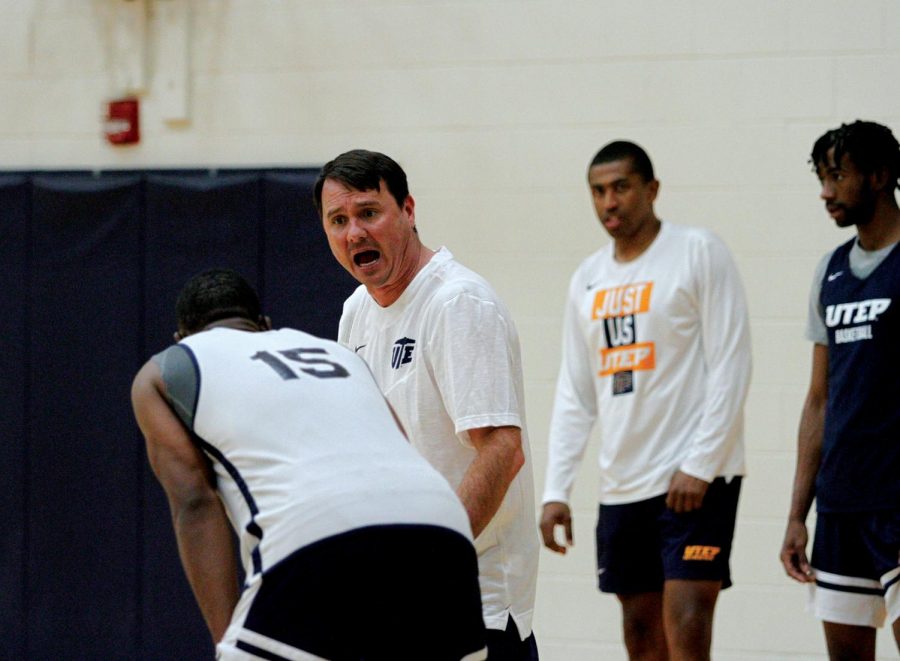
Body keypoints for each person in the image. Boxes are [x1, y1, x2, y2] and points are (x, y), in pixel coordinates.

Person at [131, 268, 488, 661]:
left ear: (182, 338)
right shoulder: (341, 356)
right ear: (264, 327)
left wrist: (225, 642)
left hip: (315, 539)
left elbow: (194, 502)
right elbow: (402, 446)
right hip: (445, 537)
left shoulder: (165, 369)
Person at [314, 149, 540, 660]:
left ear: (408, 211)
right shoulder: (356, 312)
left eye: (369, 213)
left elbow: (503, 450)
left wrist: (432, 562)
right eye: (339, 220)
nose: (355, 233)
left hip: (471, 601)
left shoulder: (457, 303)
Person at [539, 141, 752, 661]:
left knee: (688, 618)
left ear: (651, 190)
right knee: (639, 630)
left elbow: (732, 362)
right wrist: (555, 489)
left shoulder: (698, 251)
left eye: (621, 187)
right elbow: (576, 389)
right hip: (622, 484)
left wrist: (700, 464)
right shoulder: (586, 278)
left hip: (695, 482)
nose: (609, 202)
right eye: (598, 191)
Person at [779, 120, 900, 660]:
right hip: (843, 502)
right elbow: (819, 400)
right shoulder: (830, 271)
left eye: (837, 176)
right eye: (822, 177)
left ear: (879, 176)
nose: (826, 191)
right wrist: (795, 514)